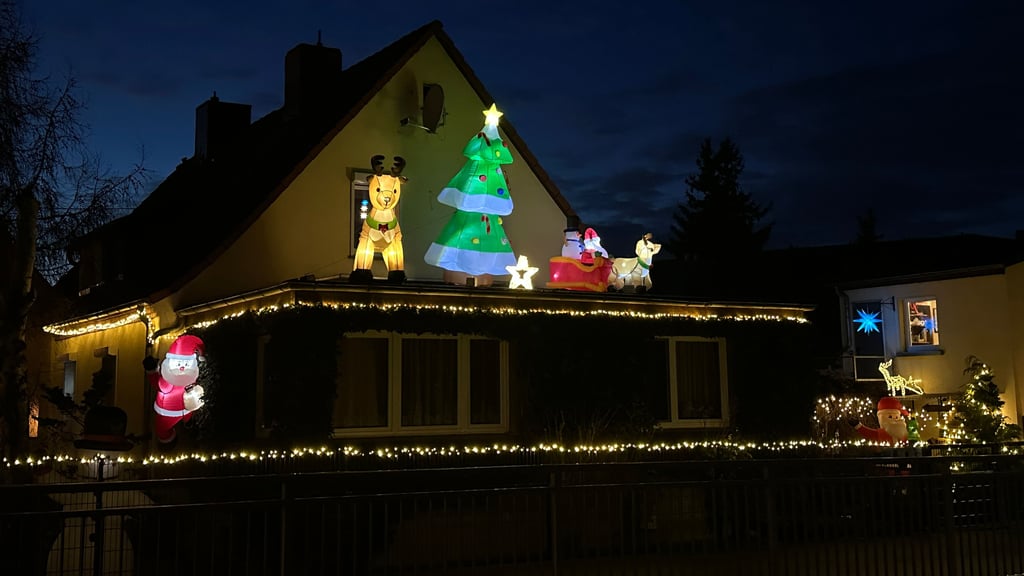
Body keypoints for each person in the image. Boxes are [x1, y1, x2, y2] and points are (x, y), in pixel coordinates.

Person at [848, 396, 920, 444]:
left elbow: (913, 436)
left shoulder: (904, 434)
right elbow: (870, 434)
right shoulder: (882, 434)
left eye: (897, 417)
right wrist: (858, 426)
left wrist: (913, 421)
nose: (895, 420)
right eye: (890, 416)